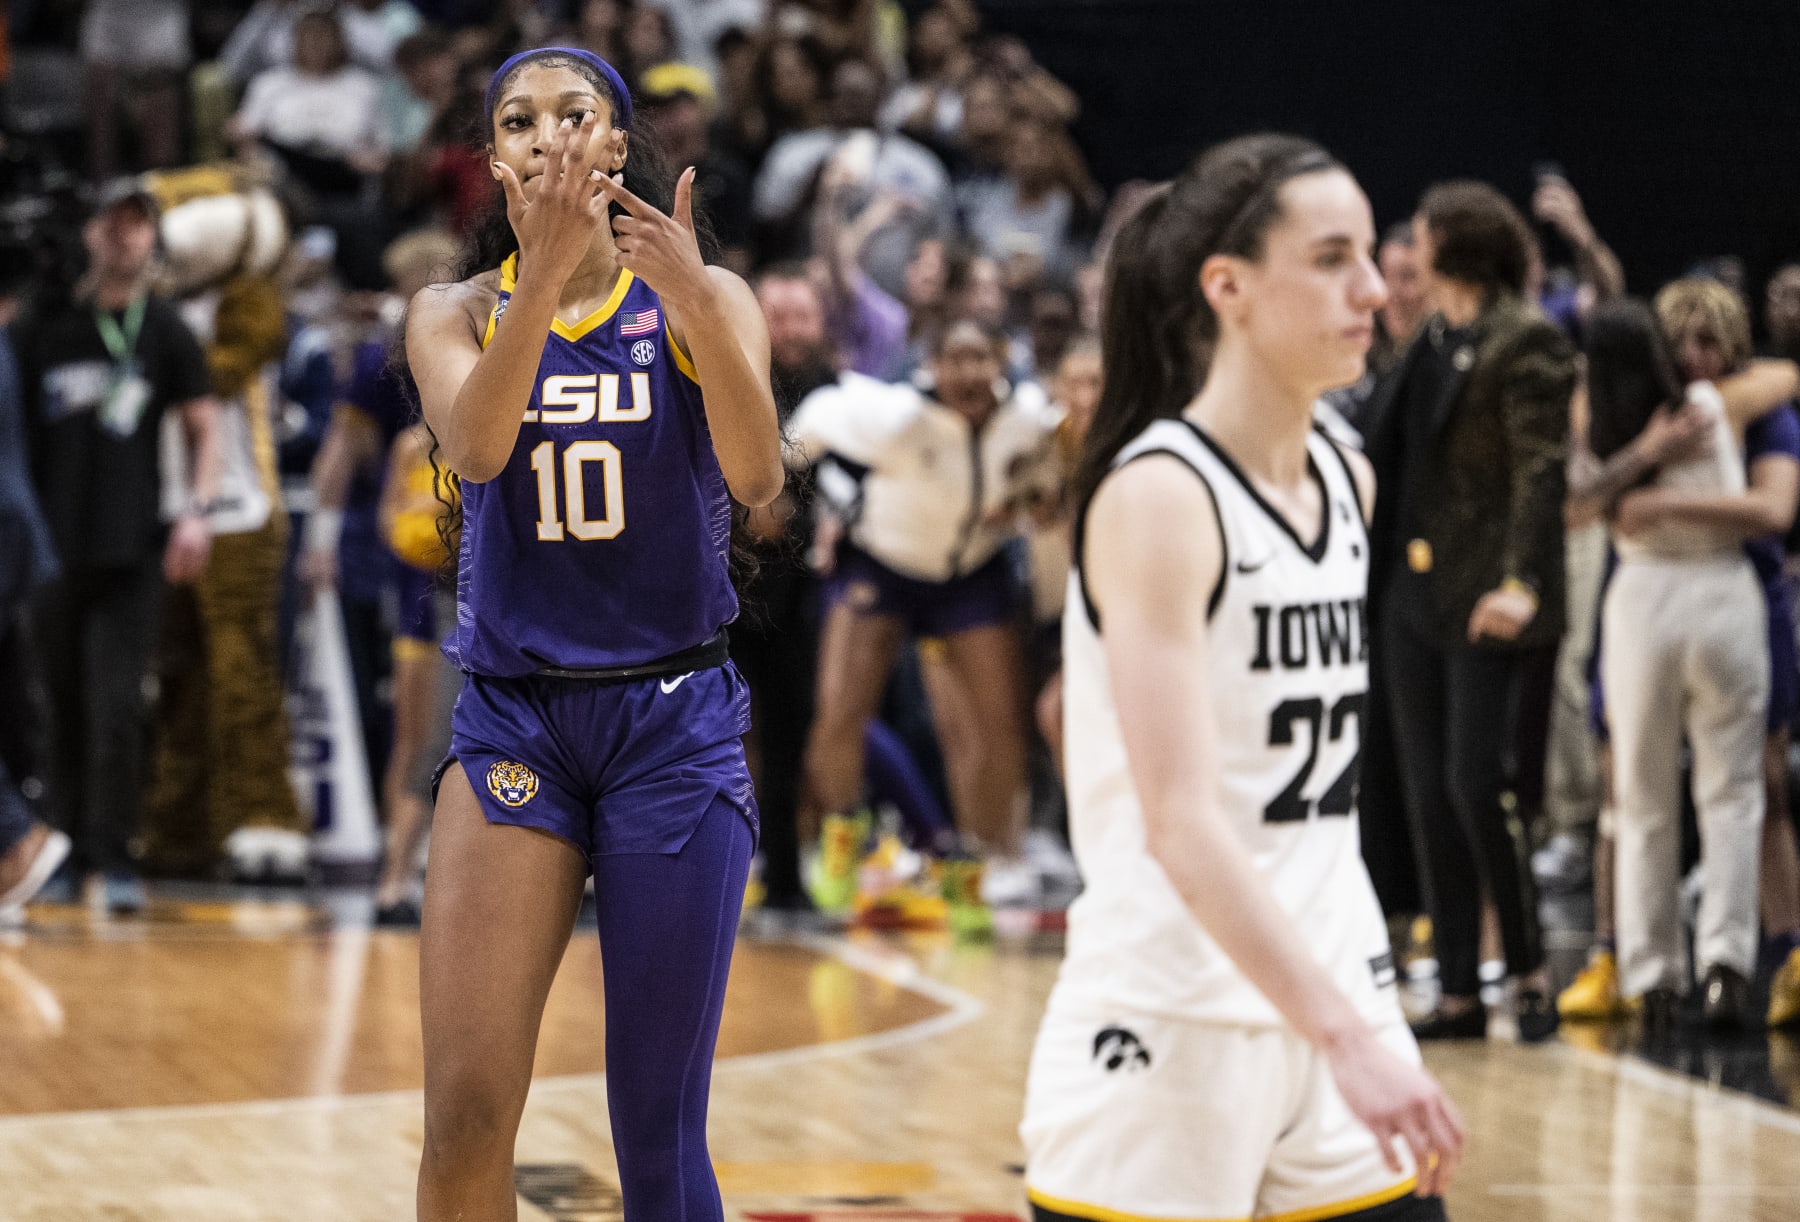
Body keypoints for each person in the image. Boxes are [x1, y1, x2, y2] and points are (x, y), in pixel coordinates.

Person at [1020, 134, 1460, 1222]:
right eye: (1332, 257)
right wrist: (1348, 1038)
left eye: (1373, 252)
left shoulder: (1345, 476)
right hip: (1172, 1016)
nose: (1373, 286)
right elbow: (1180, 822)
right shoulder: (1161, 494)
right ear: (1230, 287)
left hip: (1333, 984)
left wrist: (1350, 1023)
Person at [402, 48, 781, 1220]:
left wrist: (696, 309)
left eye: (575, 114)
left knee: (657, 1133)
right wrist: (545, 276)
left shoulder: (705, 296)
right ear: (497, 161)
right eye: (519, 120)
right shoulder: (452, 311)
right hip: (518, 717)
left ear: (617, 147)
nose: (548, 134)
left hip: (672, 723)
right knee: (465, 1113)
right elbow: (474, 450)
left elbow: (759, 474)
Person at [1361, 180, 1576, 1042]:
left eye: (1423, 233)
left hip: (1487, 594)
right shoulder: (1432, 339)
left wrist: (1522, 583)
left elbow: (1540, 472)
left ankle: (1525, 971)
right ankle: (1454, 988)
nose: (1411, 248)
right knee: (1425, 793)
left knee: (1475, 786)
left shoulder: (1527, 340)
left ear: (1454, 244)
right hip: (1414, 596)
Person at [785, 319, 1061, 924]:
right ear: (930, 365)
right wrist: (795, 489)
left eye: (980, 358)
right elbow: (814, 421)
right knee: (839, 709)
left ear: (1002, 359)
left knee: (1000, 727)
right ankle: (841, 837)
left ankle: (981, 865)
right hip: (882, 565)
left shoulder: (1030, 417)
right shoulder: (890, 415)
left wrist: (1029, 498)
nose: (968, 373)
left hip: (971, 575)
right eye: (954, 358)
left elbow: (1051, 469)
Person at [1580, 297, 1792, 1029]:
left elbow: (1579, 506)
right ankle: (1725, 966)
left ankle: (1651, 972)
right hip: (1721, 596)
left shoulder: (1600, 418)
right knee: (1731, 793)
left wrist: (1646, 492)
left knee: (1640, 798)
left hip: (1645, 597)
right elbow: (1780, 379)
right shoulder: (1709, 402)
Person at [18, 180, 221, 913]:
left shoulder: (164, 327)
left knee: (115, 708)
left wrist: (198, 511)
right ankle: (60, 849)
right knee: (54, 707)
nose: (126, 236)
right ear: (92, 234)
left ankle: (114, 854)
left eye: (140, 225)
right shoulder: (45, 322)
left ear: (152, 239)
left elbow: (206, 425)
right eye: (115, 223)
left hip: (133, 546)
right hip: (49, 549)